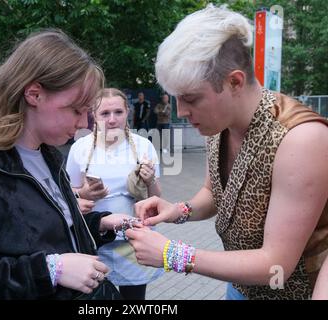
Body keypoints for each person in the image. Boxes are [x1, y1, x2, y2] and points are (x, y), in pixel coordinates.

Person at [126, 5, 328, 300]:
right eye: (177, 99)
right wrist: (178, 211)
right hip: (238, 284)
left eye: (191, 99)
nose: (182, 112)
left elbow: (276, 264)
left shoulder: (301, 139)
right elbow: (217, 193)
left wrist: (173, 254)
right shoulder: (220, 123)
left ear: (234, 81)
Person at [0, 30, 132, 300]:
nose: (84, 123)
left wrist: (99, 224)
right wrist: (49, 270)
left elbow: (44, 231)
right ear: (34, 94)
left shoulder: (49, 154)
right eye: (76, 110)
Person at [66, 88, 163, 300]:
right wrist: (84, 192)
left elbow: (157, 197)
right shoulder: (80, 147)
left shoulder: (143, 145)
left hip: (133, 240)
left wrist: (149, 180)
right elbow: (68, 194)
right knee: (96, 298)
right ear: (94, 114)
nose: (112, 120)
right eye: (104, 113)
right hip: (94, 240)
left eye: (118, 112)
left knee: (134, 300)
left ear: (127, 111)